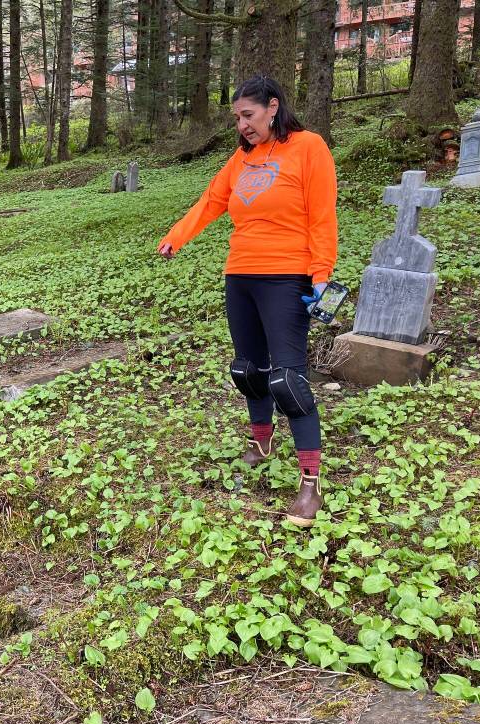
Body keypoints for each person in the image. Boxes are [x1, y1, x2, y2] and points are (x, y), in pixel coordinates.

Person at [157, 74, 337, 528]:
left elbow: (322, 214)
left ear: (272, 107)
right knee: (247, 369)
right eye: (237, 117)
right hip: (240, 274)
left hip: (286, 276)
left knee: (288, 379)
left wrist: (321, 274)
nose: (242, 125)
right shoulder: (242, 157)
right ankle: (261, 442)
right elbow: (213, 200)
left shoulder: (309, 147)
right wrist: (178, 237)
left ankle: (310, 482)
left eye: (249, 115)